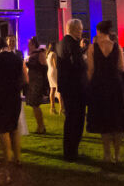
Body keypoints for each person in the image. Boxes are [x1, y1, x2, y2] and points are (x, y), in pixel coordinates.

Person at [86, 20, 124, 164]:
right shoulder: (117, 47)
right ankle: (117, 155)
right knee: (116, 121)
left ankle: (107, 155)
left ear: (98, 31)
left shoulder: (92, 48)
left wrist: (90, 84)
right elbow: (121, 67)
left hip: (99, 85)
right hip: (115, 85)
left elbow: (90, 69)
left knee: (103, 121)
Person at [0, 36, 28, 163]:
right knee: (14, 127)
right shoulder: (18, 58)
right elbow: (26, 79)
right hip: (14, 95)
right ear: (8, 46)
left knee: (2, 128)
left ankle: (7, 159)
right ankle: (17, 159)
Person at [55, 19, 87, 161]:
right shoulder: (73, 44)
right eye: (80, 29)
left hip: (66, 86)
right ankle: (71, 151)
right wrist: (85, 61)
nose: (82, 31)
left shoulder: (61, 43)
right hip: (75, 87)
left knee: (70, 119)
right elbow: (77, 64)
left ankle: (69, 151)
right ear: (74, 29)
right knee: (76, 120)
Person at [24, 36, 49, 134]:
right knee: (34, 104)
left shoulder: (39, 53)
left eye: (29, 44)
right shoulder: (33, 54)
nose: (28, 46)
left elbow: (44, 67)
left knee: (35, 104)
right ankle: (40, 127)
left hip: (37, 82)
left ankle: (41, 127)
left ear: (33, 44)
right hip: (32, 81)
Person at [46, 40, 61, 114]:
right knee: (59, 89)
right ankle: (62, 108)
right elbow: (56, 65)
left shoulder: (48, 54)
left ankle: (52, 108)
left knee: (52, 89)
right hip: (54, 72)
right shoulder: (54, 54)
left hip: (49, 72)